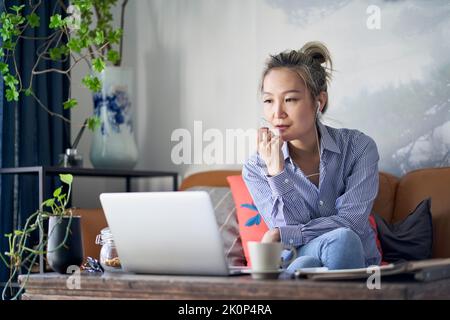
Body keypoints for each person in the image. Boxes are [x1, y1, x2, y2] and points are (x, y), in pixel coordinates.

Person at [242, 41, 381, 272]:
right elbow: (287, 232)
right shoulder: (256, 167)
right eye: (268, 100)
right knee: (305, 260)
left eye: (290, 99)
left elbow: (352, 223)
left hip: (355, 262)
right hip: (298, 255)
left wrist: (283, 234)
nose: (277, 113)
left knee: (339, 242)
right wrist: (277, 172)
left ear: (319, 101)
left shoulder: (359, 148)